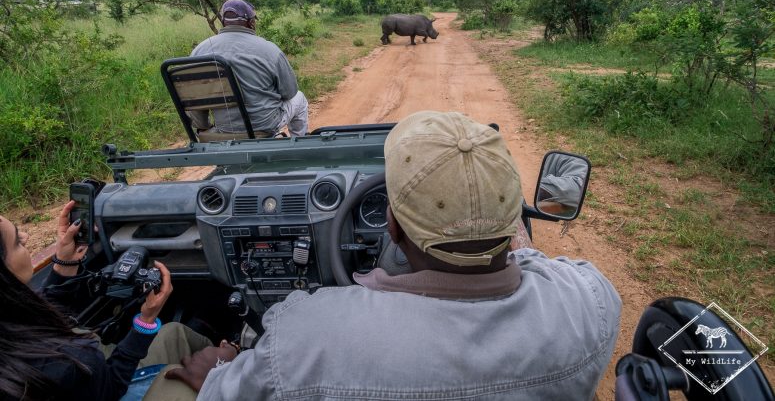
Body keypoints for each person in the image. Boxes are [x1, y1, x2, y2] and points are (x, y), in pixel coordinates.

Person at [163, 111, 621, 400]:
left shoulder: (306, 339)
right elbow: (539, 264)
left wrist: (219, 371)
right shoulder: (592, 301)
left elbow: (236, 390)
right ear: (513, 225)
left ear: (393, 226)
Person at [0, 201, 211, 401]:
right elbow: (111, 387)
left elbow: (38, 318)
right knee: (186, 386)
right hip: (105, 387)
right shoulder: (64, 363)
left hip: (88, 382)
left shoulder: (13, 321)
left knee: (175, 333)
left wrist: (64, 265)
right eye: (17, 241)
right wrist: (145, 322)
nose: (26, 236)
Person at [188, 0, 309, 137]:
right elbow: (289, 92)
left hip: (224, 128)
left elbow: (193, 99)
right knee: (299, 98)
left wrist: (204, 127)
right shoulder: (269, 49)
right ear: (251, 23)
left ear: (223, 22)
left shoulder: (200, 50)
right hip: (265, 126)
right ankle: (299, 141)